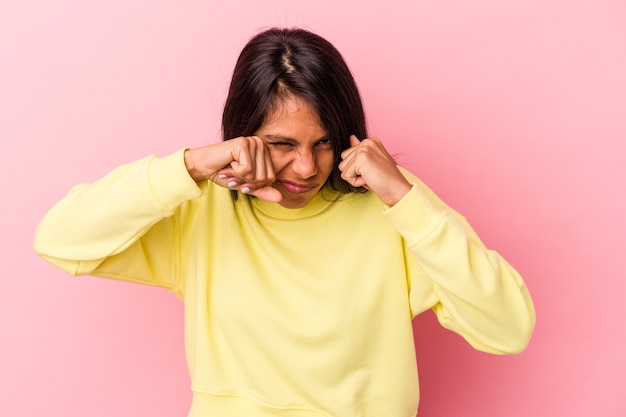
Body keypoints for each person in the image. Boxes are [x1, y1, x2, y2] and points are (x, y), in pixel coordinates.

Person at [34, 27, 535, 417]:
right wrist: (190, 166)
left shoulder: (394, 209)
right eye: (281, 144)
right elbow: (60, 240)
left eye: (324, 142)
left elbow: (509, 328)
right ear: (242, 135)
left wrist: (404, 196)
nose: (306, 168)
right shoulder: (200, 207)